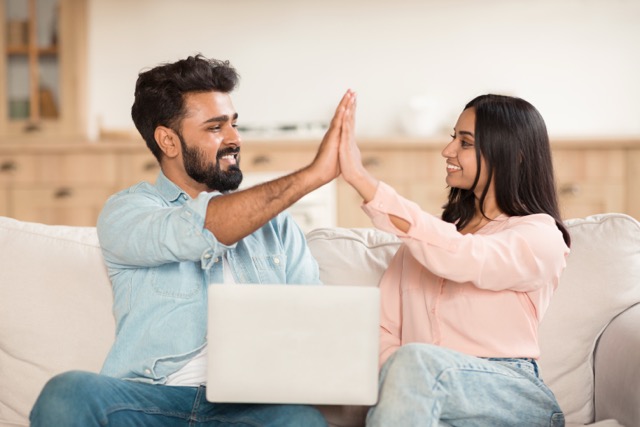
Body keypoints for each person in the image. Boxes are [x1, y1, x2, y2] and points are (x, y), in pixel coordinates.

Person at [30, 54, 353, 426]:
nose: (234, 139)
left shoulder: (277, 226)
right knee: (69, 392)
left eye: (234, 124)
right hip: (150, 402)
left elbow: (316, 323)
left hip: (249, 410)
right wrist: (312, 176)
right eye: (216, 128)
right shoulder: (128, 211)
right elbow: (197, 229)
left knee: (299, 420)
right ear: (168, 141)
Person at [338, 93, 571, 426]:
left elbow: (468, 258)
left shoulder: (540, 235)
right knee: (409, 367)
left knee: (414, 361)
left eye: (465, 143)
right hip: (424, 393)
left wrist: (363, 180)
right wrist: (401, 386)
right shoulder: (419, 246)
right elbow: (383, 329)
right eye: (453, 138)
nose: (447, 151)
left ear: (513, 155)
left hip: (510, 392)